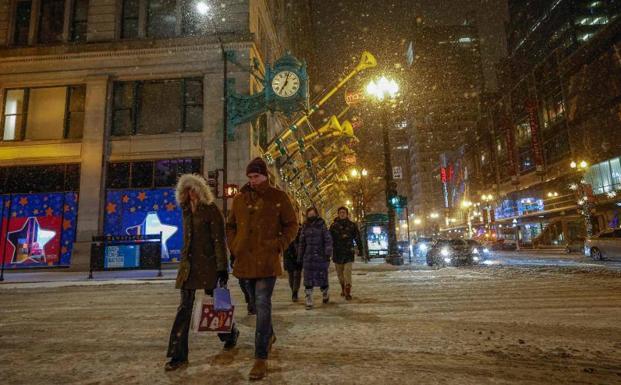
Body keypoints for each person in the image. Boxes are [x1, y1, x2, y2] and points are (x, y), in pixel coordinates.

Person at [226, 157, 299, 381]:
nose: (252, 180)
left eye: (256, 176)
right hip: (245, 262)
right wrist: (235, 245)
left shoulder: (278, 197)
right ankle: (269, 335)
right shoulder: (239, 199)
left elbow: (292, 224)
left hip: (267, 261)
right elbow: (230, 225)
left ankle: (260, 357)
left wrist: (279, 245)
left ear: (265, 175)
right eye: (249, 177)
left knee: (262, 303)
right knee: (255, 304)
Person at [165, 174, 239, 372]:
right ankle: (177, 355)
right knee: (184, 309)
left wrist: (223, 268)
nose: (191, 193)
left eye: (193, 189)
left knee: (217, 304)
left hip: (208, 266)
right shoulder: (186, 210)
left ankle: (230, 333)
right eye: (187, 190)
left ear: (201, 190)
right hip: (189, 267)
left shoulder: (211, 210)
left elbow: (218, 241)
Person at [298, 207, 333, 310]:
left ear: (316, 214)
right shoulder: (305, 226)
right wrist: (300, 256)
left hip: (320, 256)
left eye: (313, 214)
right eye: (309, 214)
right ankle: (309, 299)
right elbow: (302, 242)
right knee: (308, 279)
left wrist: (327, 253)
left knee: (322, 277)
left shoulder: (322, 226)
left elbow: (328, 239)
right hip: (308, 257)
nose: (311, 216)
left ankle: (325, 292)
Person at [329, 207, 364, 300]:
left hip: (348, 252)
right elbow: (329, 240)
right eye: (340, 212)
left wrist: (360, 249)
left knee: (347, 272)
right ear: (338, 214)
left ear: (347, 214)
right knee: (340, 275)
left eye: (344, 212)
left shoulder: (352, 225)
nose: (342, 214)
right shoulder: (333, 226)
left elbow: (357, 237)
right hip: (337, 253)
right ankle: (343, 288)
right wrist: (328, 251)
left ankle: (348, 292)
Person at [284, 227, 303, 302]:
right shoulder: (285, 230)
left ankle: (295, 292)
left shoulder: (301, 231)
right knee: (291, 275)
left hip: (297, 256)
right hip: (288, 255)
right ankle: (293, 291)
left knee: (297, 275)